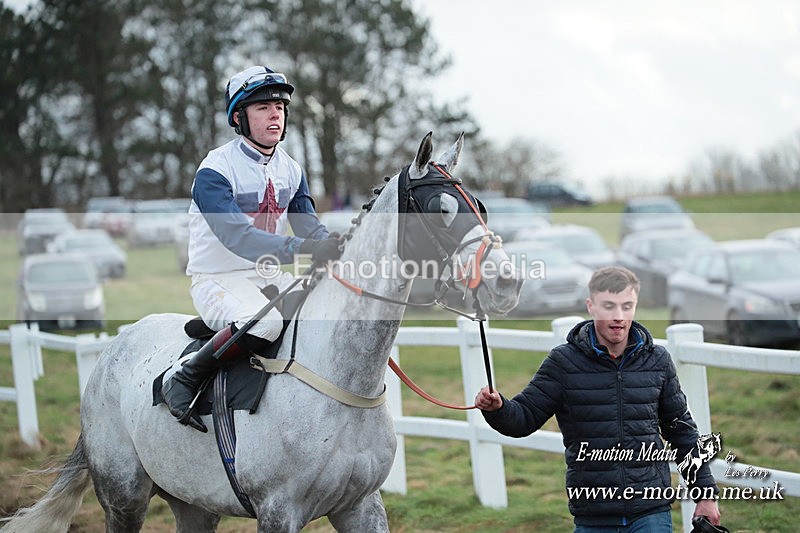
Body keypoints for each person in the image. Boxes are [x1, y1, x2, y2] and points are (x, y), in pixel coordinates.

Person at [161, 65, 342, 432]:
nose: (275, 114)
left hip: (268, 277)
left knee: (327, 308)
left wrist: (336, 246)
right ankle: (184, 376)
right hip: (217, 278)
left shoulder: (292, 169)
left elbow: (309, 226)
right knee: (268, 323)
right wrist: (306, 247)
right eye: (262, 107)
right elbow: (239, 238)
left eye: (280, 106)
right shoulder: (214, 170)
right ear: (238, 118)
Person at [474, 266, 721, 532]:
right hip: (593, 514)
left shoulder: (657, 360)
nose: (618, 317)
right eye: (608, 306)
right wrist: (498, 408)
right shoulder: (563, 362)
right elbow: (523, 419)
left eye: (627, 306)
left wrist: (705, 495)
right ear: (591, 306)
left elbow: (682, 432)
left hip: (651, 512)